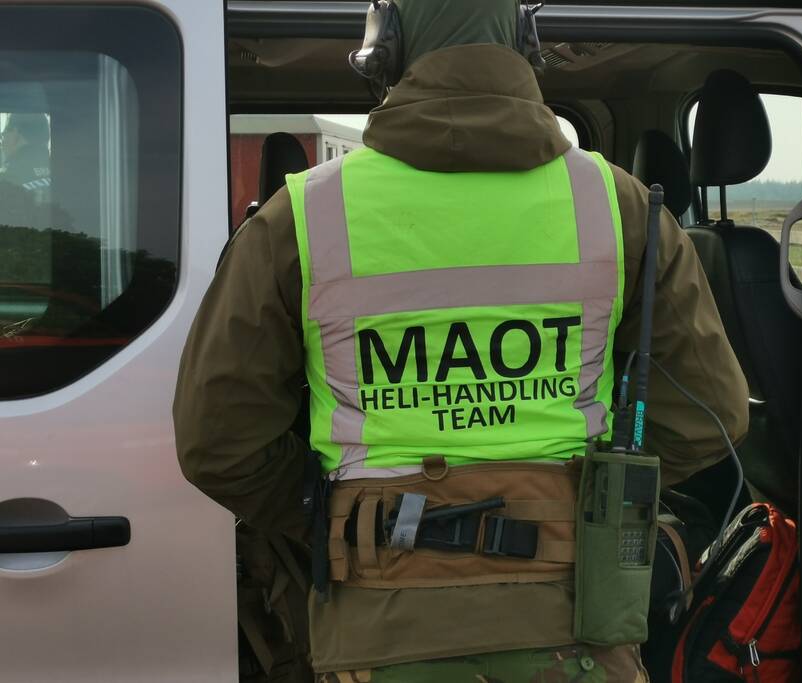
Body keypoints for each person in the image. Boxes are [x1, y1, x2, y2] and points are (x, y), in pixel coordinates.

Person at [173, 1, 749, 680]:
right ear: (526, 45)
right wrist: (595, 498)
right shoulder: (620, 206)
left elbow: (218, 440)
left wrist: (333, 518)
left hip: (379, 637)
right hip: (575, 636)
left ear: (384, 47)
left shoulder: (301, 217)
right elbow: (714, 412)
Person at [0, 112, 51, 198]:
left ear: (15, 133)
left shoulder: (7, 178)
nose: (2, 142)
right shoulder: (61, 172)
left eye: (4, 133)